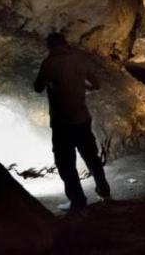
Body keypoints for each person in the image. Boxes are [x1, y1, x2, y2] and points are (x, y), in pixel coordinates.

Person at [34, 32, 111, 214]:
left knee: (66, 163)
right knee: (91, 156)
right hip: (82, 117)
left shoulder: (50, 63)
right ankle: (104, 191)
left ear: (50, 46)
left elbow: (37, 87)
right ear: (65, 44)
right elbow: (96, 84)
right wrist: (83, 88)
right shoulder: (80, 60)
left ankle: (77, 201)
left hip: (62, 121)